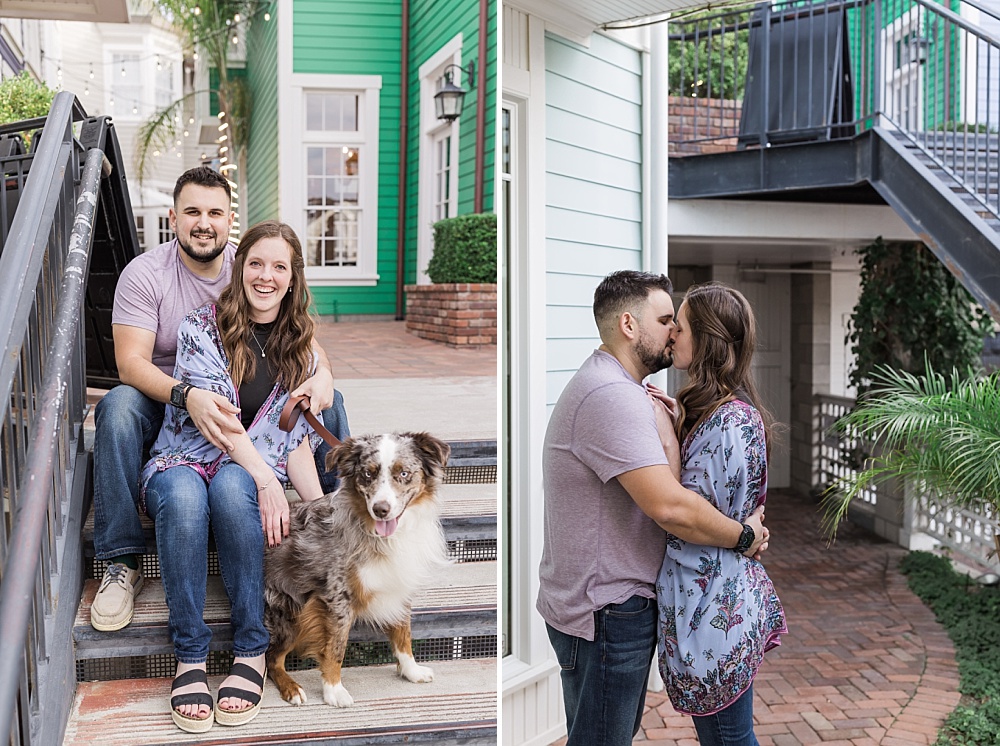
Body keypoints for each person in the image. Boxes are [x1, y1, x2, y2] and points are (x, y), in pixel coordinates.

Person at [90, 166, 348, 634]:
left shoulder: (253, 261)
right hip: (165, 394)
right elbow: (130, 364)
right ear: (173, 218)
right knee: (118, 406)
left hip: (238, 397)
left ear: (231, 220)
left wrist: (324, 375)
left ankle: (340, 520)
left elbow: (299, 337)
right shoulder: (146, 274)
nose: (203, 222)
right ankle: (122, 558)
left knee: (329, 399)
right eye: (192, 211)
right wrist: (188, 396)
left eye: (214, 212)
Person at [537, 270, 770, 745]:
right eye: (666, 320)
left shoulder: (625, 393)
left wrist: (671, 422)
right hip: (608, 606)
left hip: (612, 603)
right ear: (628, 325)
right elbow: (670, 506)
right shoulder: (611, 396)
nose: (673, 332)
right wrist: (745, 537)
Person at [142, 220, 326, 732]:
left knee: (230, 488)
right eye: (256, 264)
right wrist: (268, 483)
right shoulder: (201, 326)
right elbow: (221, 424)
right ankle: (190, 658)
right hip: (184, 455)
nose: (266, 276)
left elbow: (292, 440)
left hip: (240, 467)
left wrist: (321, 514)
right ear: (240, 267)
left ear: (293, 278)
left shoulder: (301, 345)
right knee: (183, 500)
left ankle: (251, 649)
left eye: (279, 267)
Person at [653, 282, 786, 746]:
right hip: (704, 603)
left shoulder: (729, 422)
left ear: (707, 340)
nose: (671, 335)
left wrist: (668, 443)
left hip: (714, 609)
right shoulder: (710, 411)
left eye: (680, 326)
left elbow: (685, 512)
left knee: (730, 740)